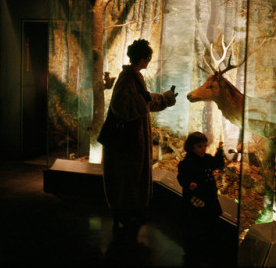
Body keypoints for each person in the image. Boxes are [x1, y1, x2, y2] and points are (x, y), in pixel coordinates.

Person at [97, 39, 177, 239]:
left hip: (133, 140)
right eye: (148, 58)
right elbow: (122, 106)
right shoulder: (127, 78)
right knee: (125, 177)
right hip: (126, 142)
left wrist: (165, 99)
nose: (149, 62)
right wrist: (150, 100)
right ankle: (123, 214)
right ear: (142, 59)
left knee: (132, 176)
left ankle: (132, 212)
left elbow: (144, 100)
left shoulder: (134, 77)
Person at [177, 131, 226, 258]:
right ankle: (194, 247)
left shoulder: (206, 158)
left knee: (209, 219)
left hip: (209, 196)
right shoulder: (187, 162)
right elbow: (181, 177)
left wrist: (220, 151)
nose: (203, 149)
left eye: (205, 145)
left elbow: (217, 164)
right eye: (199, 146)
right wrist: (189, 184)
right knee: (196, 221)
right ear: (191, 146)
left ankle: (207, 244)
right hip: (195, 197)